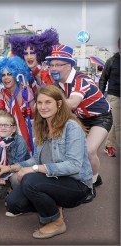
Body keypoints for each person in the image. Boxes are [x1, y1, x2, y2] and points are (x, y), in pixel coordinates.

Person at [0, 85, 93, 239]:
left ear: (59, 104)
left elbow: (73, 165)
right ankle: (54, 205)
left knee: (29, 181)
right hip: (53, 179)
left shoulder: (71, 127)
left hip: (76, 184)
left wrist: (34, 169)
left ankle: (56, 221)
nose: (43, 107)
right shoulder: (42, 126)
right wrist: (9, 168)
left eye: (48, 102)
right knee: (13, 203)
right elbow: (36, 159)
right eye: (39, 103)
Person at [45, 44, 112, 201]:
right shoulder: (58, 84)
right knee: (69, 149)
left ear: (68, 66)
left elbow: (73, 103)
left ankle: (92, 182)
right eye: (51, 65)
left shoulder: (81, 79)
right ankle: (84, 177)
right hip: (80, 119)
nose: (53, 68)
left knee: (89, 151)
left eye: (57, 65)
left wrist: (50, 101)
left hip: (100, 117)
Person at [0, 56, 34, 154]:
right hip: (7, 139)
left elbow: (35, 114)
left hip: (27, 137)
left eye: (9, 74)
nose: (6, 78)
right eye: (3, 75)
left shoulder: (26, 91)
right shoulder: (0, 94)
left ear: (16, 74)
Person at [0, 111, 30, 199]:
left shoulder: (20, 142)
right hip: (4, 173)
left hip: (17, 171)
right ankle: (9, 192)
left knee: (16, 178)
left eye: (7, 125)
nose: (3, 128)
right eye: (0, 125)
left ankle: (22, 197)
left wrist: (3, 176)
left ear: (14, 128)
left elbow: (19, 165)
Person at [99, 38, 120, 157]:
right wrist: (100, 97)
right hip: (114, 96)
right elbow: (103, 79)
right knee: (118, 123)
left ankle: (109, 145)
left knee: (116, 123)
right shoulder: (111, 61)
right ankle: (109, 145)